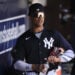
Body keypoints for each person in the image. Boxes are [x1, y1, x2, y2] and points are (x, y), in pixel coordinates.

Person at [11, 3, 75, 75]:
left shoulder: (53, 34)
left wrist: (58, 59)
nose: (40, 18)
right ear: (30, 17)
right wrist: (34, 67)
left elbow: (71, 53)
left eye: (42, 14)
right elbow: (16, 64)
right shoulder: (23, 38)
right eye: (36, 15)